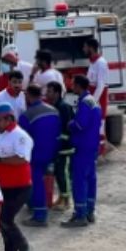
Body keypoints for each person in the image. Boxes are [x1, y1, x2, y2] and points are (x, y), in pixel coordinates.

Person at [0, 103, 33, 251]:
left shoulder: (20, 136)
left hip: (20, 187)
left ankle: (24, 247)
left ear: (8, 119)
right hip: (1, 187)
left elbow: (22, 159)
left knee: (5, 220)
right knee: (3, 222)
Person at [61, 76, 102, 227]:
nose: (72, 87)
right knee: (91, 179)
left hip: (83, 146)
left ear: (79, 86)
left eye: (73, 85)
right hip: (92, 146)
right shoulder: (93, 101)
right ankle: (89, 212)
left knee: (79, 180)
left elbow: (80, 124)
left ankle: (80, 215)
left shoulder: (84, 103)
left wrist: (70, 123)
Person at [18, 84, 61, 226]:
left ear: (29, 95)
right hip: (52, 153)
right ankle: (40, 209)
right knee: (46, 182)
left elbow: (21, 138)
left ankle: (40, 216)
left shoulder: (27, 115)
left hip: (35, 155)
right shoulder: (54, 110)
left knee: (37, 184)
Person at [46, 81, 75, 211]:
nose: (47, 94)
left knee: (63, 173)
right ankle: (61, 198)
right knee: (58, 173)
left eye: (50, 91)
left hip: (65, 147)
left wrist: (59, 141)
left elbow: (67, 129)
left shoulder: (63, 107)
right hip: (57, 147)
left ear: (57, 93)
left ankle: (67, 201)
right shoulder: (54, 106)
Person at [83, 38, 109, 152]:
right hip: (93, 97)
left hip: (98, 98)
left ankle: (100, 151)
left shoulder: (101, 63)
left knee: (99, 126)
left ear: (91, 48)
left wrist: (92, 102)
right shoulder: (93, 62)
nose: (83, 49)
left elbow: (101, 85)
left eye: (85, 47)